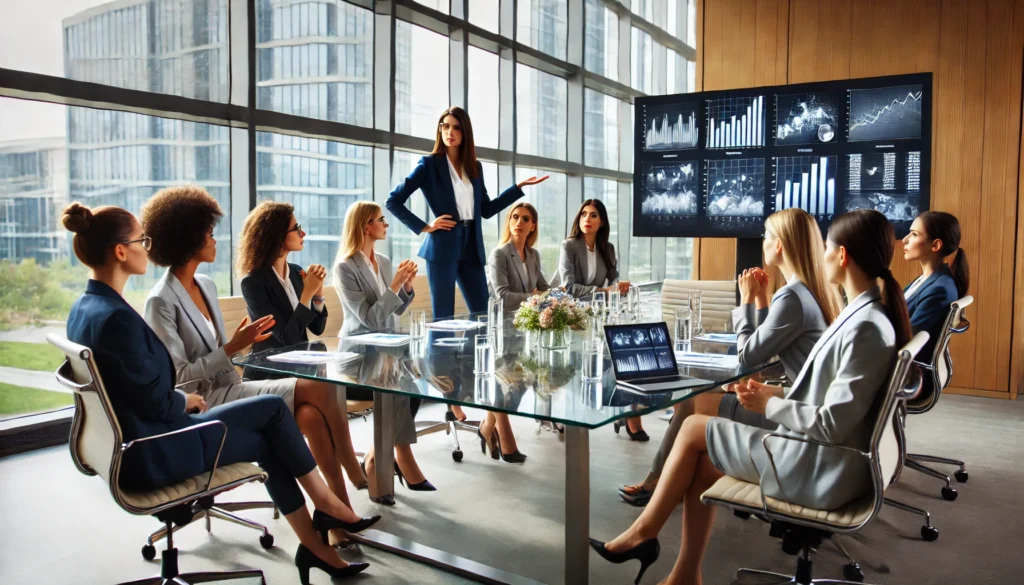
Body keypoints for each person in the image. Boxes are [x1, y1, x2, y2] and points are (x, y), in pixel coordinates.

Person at [590, 209, 911, 585]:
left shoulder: (865, 328)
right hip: (824, 456)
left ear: (841, 256)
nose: (821, 254)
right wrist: (773, 392)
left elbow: (831, 423)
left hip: (822, 469)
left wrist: (769, 404)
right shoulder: (863, 316)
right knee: (704, 465)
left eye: (827, 247)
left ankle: (643, 533)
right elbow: (825, 395)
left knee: (694, 425)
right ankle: (684, 574)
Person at [61, 202, 377, 584]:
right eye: (141, 240)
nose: (148, 246)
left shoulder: (86, 307)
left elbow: (138, 389)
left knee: (276, 432)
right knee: (274, 415)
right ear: (121, 251)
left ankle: (315, 543)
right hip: (161, 447)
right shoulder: (120, 318)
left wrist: (231, 353)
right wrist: (186, 397)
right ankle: (327, 506)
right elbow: (164, 393)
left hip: (144, 437)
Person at [139, 186, 365, 530]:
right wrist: (233, 348)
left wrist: (240, 345)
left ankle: (336, 514)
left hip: (233, 384)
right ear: (189, 239)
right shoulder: (160, 302)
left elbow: (302, 330)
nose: (216, 240)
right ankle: (349, 467)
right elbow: (181, 377)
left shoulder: (205, 284)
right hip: (207, 400)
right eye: (210, 234)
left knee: (312, 417)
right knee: (323, 390)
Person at [618, 208, 842, 506]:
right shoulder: (806, 291)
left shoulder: (792, 297)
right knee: (696, 398)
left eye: (766, 236)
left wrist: (746, 300)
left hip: (791, 414)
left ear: (778, 246)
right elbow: (765, 345)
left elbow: (749, 357)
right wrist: (762, 298)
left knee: (693, 400)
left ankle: (656, 482)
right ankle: (665, 480)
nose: (762, 242)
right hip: (804, 404)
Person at [386, 106, 549, 320]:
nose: (449, 132)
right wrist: (426, 226)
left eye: (456, 128)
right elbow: (393, 201)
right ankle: (441, 354)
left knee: (483, 313)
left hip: (471, 244)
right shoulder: (428, 165)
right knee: (443, 317)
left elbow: (487, 210)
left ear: (465, 133)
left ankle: (472, 354)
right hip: (442, 245)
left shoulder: (475, 167)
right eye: (445, 126)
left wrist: (517, 188)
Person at [333, 201, 434, 502]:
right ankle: (396, 458)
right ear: (366, 226)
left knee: (414, 386)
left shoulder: (385, 261)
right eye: (381, 220)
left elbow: (394, 312)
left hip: (387, 349)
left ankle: (378, 455)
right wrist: (394, 286)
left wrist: (405, 288)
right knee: (398, 386)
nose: (386, 225)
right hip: (359, 354)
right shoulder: (344, 268)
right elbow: (370, 319)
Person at [558, 199, 641, 439]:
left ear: (601, 221)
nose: (587, 219)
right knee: (583, 368)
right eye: (583, 214)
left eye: (593, 215)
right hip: (572, 316)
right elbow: (569, 287)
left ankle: (627, 412)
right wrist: (604, 292)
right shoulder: (569, 246)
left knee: (622, 354)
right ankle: (573, 416)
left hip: (598, 314)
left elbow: (613, 279)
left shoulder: (608, 248)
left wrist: (619, 286)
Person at [482, 201, 548, 462]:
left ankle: (487, 427)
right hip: (502, 330)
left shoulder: (533, 255)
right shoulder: (499, 254)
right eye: (515, 217)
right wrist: (533, 298)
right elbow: (502, 297)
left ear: (533, 226)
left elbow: (543, 287)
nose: (519, 222)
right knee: (511, 384)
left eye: (525, 219)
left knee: (521, 383)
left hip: (526, 330)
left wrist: (544, 295)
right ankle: (501, 435)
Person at [902, 211, 969, 364]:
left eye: (914, 234)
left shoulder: (940, 289)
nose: (905, 240)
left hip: (909, 371)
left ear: (936, 245)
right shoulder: (928, 280)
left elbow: (908, 337)